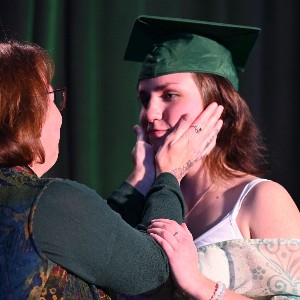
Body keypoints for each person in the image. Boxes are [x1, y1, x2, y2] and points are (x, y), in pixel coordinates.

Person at [0, 40, 224, 299]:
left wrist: (140, 181)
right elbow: (152, 272)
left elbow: (92, 240)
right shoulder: (46, 201)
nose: (151, 114)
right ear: (25, 113)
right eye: (52, 98)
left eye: (169, 95)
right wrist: (170, 174)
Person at [123, 15, 300, 299]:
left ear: (219, 107)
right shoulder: (145, 202)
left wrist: (198, 284)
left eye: (169, 95)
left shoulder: (261, 198)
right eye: (145, 99)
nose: (150, 114)